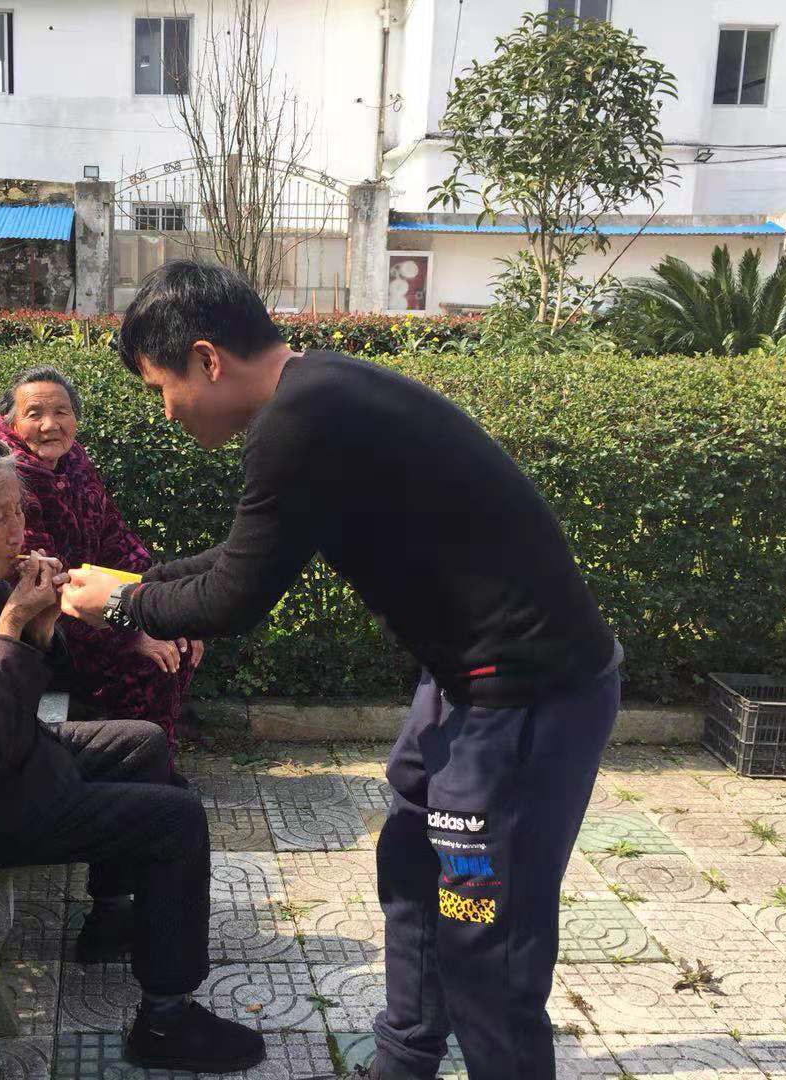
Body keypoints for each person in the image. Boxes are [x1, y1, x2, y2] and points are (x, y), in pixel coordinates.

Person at [61, 262, 622, 1080]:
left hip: (525, 698)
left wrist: (122, 606)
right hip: (462, 684)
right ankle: (402, 1064)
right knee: (413, 872)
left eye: (161, 389)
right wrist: (139, 587)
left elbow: (234, 598)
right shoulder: (316, 396)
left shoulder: (303, 420)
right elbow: (245, 555)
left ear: (207, 359)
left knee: (485, 941)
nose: (167, 411)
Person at [0, 431, 265, 1074]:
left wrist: (42, 626)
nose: (19, 531)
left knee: (143, 743)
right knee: (177, 819)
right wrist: (15, 627)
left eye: (19, 509)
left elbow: (5, 704)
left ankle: (112, 918)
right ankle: (165, 1020)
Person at [0, 365, 204, 750]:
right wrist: (131, 634)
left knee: (179, 640)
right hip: (45, 628)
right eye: (34, 414)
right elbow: (45, 584)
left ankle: (151, 755)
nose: (50, 424)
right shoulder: (5, 476)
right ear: (12, 421)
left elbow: (115, 538)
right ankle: (134, 766)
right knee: (149, 660)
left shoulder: (74, 463)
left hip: (91, 607)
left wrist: (163, 606)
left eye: (61, 412)